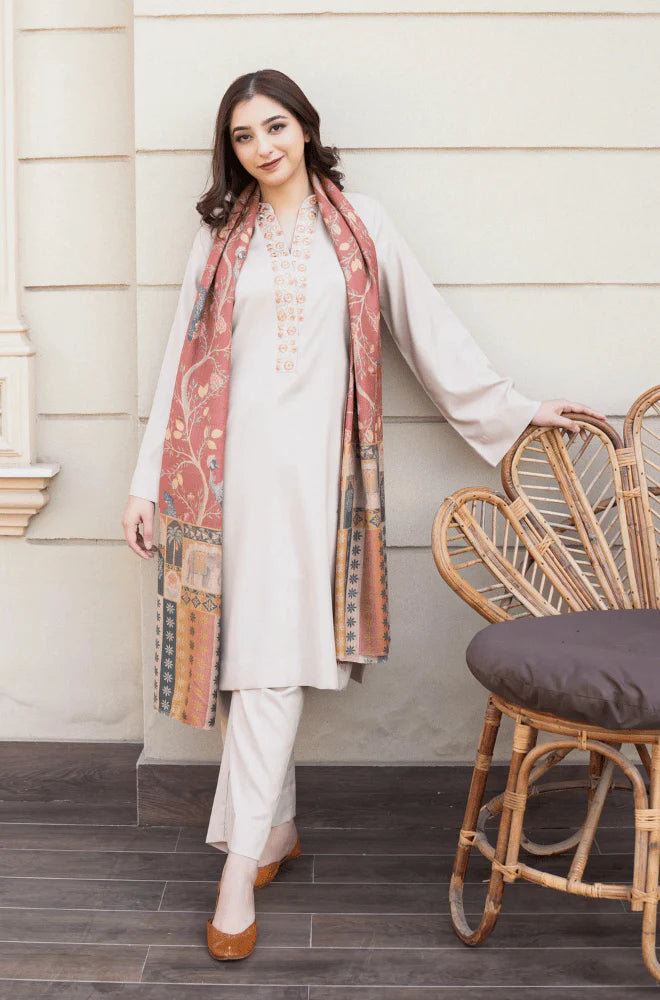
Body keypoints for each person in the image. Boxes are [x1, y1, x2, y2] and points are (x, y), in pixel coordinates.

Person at [122, 69, 605, 961]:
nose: (263, 147)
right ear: (231, 150)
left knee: (268, 661)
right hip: (220, 481)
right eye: (243, 136)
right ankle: (272, 831)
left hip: (317, 483)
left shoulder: (363, 225)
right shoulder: (220, 236)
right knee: (243, 660)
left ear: (305, 128)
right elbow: (179, 365)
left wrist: (515, 410)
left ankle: (237, 871)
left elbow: (429, 334)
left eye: (275, 127)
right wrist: (148, 481)